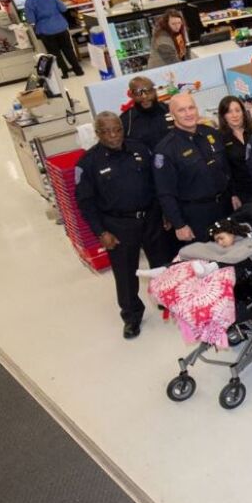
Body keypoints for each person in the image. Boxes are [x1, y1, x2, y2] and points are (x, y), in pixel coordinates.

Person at [75, 112, 175, 338]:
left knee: (161, 264)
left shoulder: (140, 149)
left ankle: (166, 300)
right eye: (107, 131)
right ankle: (132, 316)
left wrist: (165, 213)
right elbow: (86, 203)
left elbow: (157, 183)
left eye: (117, 129)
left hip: (151, 217)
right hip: (118, 226)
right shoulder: (88, 163)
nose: (113, 135)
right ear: (98, 133)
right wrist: (101, 232)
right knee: (126, 274)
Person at [153, 94, 230, 244]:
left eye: (191, 108)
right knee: (207, 263)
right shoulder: (166, 149)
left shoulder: (210, 133)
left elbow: (226, 169)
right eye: (181, 110)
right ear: (172, 115)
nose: (188, 113)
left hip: (225, 207)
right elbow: (165, 192)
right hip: (196, 216)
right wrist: (179, 224)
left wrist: (233, 195)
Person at [19, 0, 82, 77]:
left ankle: (64, 73)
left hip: (45, 30)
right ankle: (78, 70)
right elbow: (63, 8)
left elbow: (31, 20)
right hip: (61, 26)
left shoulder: (29, 3)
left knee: (55, 53)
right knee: (68, 49)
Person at [217, 96, 252, 204]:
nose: (234, 115)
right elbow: (225, 170)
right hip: (242, 193)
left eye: (237, 110)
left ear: (243, 112)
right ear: (223, 116)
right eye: (229, 112)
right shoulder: (220, 139)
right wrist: (233, 194)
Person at [120, 77, 171, 150]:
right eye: (138, 93)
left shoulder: (169, 110)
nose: (144, 96)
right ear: (131, 95)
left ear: (154, 91)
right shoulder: (126, 120)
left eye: (148, 91)